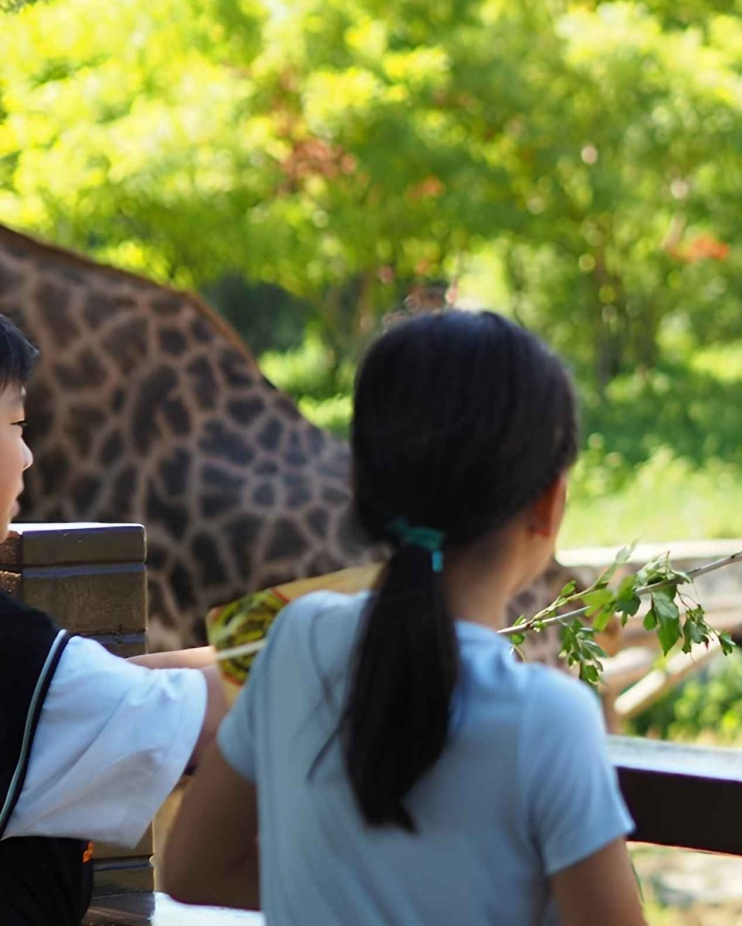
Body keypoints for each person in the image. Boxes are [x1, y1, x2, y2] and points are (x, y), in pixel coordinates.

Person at [163, 310, 646, 926]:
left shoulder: (295, 640)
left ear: (364, 484)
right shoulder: (550, 720)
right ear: (548, 505)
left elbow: (192, 870)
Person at [0, 313, 228, 926]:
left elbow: (83, 695)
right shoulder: (14, 658)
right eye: (17, 424)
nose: (26, 458)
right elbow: (208, 720)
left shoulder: (35, 681)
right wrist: (330, 630)